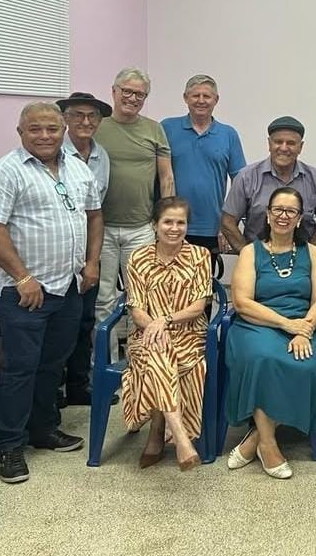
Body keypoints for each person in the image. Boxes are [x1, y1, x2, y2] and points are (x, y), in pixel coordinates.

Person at [0, 102, 103, 484]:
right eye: (35, 129)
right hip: (26, 292)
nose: (45, 136)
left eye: (52, 128)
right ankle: (10, 445)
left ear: (63, 131)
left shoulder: (77, 167)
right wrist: (22, 278)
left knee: (53, 365)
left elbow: (94, 215)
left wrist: (92, 262)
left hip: (68, 286)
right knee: (20, 369)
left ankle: (43, 429)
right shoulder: (4, 172)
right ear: (21, 132)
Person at [224, 187, 316, 479]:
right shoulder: (250, 252)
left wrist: (304, 330)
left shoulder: (314, 253)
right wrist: (286, 324)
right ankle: (269, 445)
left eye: (291, 211)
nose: (284, 216)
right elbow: (242, 302)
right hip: (255, 326)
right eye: (278, 210)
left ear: (299, 218)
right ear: (268, 215)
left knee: (307, 366)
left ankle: (254, 439)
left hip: (303, 327)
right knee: (262, 359)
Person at [121, 197, 212, 472]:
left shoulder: (200, 256)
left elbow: (198, 306)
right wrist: (154, 327)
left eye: (180, 222)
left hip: (189, 334)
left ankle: (157, 431)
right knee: (158, 350)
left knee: (160, 356)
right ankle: (181, 437)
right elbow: (136, 308)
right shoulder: (138, 258)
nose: (174, 228)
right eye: (168, 222)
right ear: (154, 225)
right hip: (145, 333)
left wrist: (166, 320)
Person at [93, 67, 174, 353]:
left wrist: (165, 222)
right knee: (103, 299)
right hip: (101, 229)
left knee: (141, 297)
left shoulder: (154, 129)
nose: (133, 98)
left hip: (141, 228)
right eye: (127, 91)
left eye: (140, 94)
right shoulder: (97, 128)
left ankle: (137, 361)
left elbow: (166, 177)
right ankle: (103, 364)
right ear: (114, 92)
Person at [55, 91, 111, 406]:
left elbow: (96, 213)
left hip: (88, 252)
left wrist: (93, 260)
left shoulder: (102, 156)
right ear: (65, 119)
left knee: (85, 320)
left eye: (92, 116)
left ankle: (79, 386)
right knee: (59, 326)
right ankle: (54, 390)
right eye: (78, 115)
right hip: (58, 255)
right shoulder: (53, 153)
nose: (85, 121)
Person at [161, 74, 246, 258]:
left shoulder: (228, 134)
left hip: (211, 227)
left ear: (216, 100)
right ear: (185, 98)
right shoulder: (166, 128)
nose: (201, 101)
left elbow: (240, 184)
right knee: (168, 276)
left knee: (204, 277)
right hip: (171, 225)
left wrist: (228, 224)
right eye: (195, 95)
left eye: (206, 96)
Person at [221, 116, 316, 249]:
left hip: (303, 257)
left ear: (300, 147)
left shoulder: (315, 179)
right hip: (258, 258)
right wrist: (248, 255)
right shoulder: (246, 177)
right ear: (269, 144)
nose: (284, 148)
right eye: (278, 142)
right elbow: (227, 222)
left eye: (291, 143)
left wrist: (311, 253)